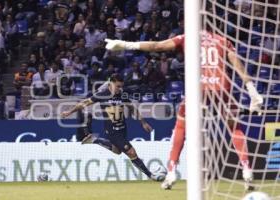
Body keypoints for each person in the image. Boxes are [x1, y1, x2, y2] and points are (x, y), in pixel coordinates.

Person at [104, 30, 263, 190]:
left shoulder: (187, 38)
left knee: (181, 127)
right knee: (234, 127)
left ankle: (171, 173)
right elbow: (237, 65)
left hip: (198, 87)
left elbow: (157, 46)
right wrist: (252, 90)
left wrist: (125, 44)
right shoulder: (223, 40)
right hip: (221, 86)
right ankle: (247, 170)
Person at [61, 73, 165, 181]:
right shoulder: (102, 95)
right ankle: (151, 175)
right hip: (111, 131)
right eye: (118, 86)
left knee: (117, 151)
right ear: (111, 83)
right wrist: (69, 111)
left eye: (121, 86)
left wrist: (143, 122)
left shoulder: (122, 95)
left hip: (123, 129)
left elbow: (132, 108)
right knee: (131, 152)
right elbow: (84, 103)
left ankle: (95, 140)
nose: (120, 89)